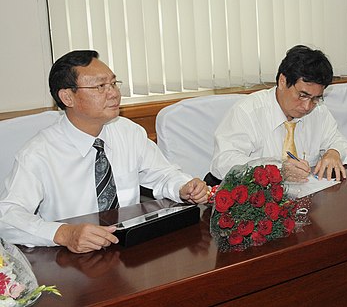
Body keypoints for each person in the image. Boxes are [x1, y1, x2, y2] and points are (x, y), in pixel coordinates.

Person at [0, 50, 208, 253]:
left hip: (130, 247)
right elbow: (7, 217)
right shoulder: (38, 153)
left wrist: (182, 186)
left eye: (113, 83)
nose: (114, 93)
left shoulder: (128, 131)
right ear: (67, 97)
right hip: (72, 258)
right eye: (100, 86)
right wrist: (65, 233)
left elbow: (163, 174)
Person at [210, 45, 347, 183]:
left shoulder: (319, 111)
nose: (307, 106)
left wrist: (334, 152)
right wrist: (277, 169)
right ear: (282, 81)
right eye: (302, 95)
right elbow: (223, 162)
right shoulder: (248, 111)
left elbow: (344, 144)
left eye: (316, 98)